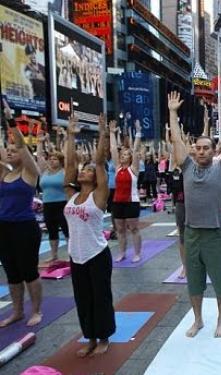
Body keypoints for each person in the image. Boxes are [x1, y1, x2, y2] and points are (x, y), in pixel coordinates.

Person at [167, 90, 221, 338]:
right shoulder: (187, 166)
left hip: (214, 233)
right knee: (195, 280)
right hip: (191, 233)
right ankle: (198, 319)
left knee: (220, 279)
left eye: (205, 148)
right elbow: (177, 142)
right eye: (197, 148)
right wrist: (172, 112)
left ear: (213, 151)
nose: (200, 151)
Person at [63, 114, 115, 357]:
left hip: (97, 254)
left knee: (100, 297)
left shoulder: (99, 195)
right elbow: (69, 164)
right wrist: (70, 136)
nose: (84, 171)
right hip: (76, 255)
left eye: (88, 170)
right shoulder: (71, 195)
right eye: (83, 170)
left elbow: (101, 162)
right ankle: (91, 337)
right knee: (83, 299)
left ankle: (104, 337)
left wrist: (103, 133)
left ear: (95, 178)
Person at [0, 102, 43, 327]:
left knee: (29, 272)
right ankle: (17, 311)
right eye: (7, 149)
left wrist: (10, 121)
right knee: (12, 273)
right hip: (4, 228)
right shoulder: (3, 173)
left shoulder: (29, 173)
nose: (9, 151)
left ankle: (36, 310)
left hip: (24, 228)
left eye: (13, 149)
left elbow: (22, 146)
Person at [109, 120, 143, 262]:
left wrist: (138, 132)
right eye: (122, 155)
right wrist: (111, 133)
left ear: (130, 158)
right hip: (117, 202)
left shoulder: (133, 169)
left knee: (133, 229)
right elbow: (112, 149)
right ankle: (122, 252)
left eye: (126, 155)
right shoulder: (117, 168)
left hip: (131, 202)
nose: (123, 156)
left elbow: (135, 151)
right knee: (120, 230)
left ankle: (137, 253)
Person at [36, 133, 69, 264]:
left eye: (55, 159)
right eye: (50, 158)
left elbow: (68, 156)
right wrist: (40, 142)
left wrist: (66, 138)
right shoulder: (44, 171)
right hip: (48, 205)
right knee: (51, 231)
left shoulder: (65, 171)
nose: (51, 160)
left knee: (67, 230)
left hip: (62, 204)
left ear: (60, 161)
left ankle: (70, 253)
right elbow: (39, 157)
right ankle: (54, 255)